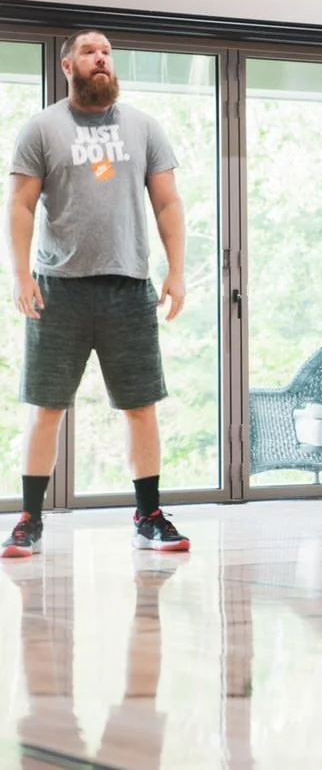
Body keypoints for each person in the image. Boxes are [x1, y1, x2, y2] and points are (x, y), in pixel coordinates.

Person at [2, 30, 190, 557]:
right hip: (57, 289)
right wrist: (20, 277)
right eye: (90, 52)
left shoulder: (143, 127)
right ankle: (29, 520)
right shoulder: (42, 128)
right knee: (44, 407)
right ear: (68, 66)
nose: (101, 58)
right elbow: (18, 206)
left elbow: (168, 204)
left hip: (129, 288)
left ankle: (148, 515)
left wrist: (177, 271)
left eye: (106, 52)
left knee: (140, 407)